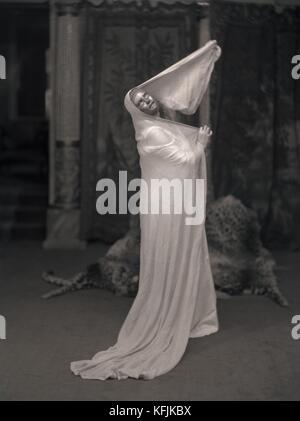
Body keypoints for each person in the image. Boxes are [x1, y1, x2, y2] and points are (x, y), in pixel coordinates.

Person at [71, 39, 222, 380]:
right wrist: (200, 144)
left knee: (187, 253)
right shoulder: (151, 134)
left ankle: (190, 312)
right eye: (141, 100)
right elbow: (185, 160)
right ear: (135, 109)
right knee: (172, 255)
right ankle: (168, 314)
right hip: (167, 205)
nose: (148, 100)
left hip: (172, 200)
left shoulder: (160, 126)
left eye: (148, 95)